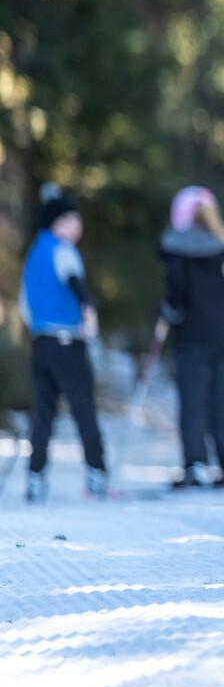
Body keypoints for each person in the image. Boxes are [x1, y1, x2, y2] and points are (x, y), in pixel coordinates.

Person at [20, 185, 107, 502]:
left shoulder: (33, 254)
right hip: (68, 340)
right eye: (71, 220)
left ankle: (35, 476)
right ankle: (97, 472)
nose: (77, 226)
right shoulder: (63, 250)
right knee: (83, 407)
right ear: (57, 222)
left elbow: (24, 306)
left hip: (41, 341)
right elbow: (77, 285)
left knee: (43, 411)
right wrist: (89, 313)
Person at [158, 186, 224, 489]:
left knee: (193, 400)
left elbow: (176, 295)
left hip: (191, 337)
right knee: (219, 399)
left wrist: (169, 310)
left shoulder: (177, 251)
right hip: (220, 337)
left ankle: (195, 463)